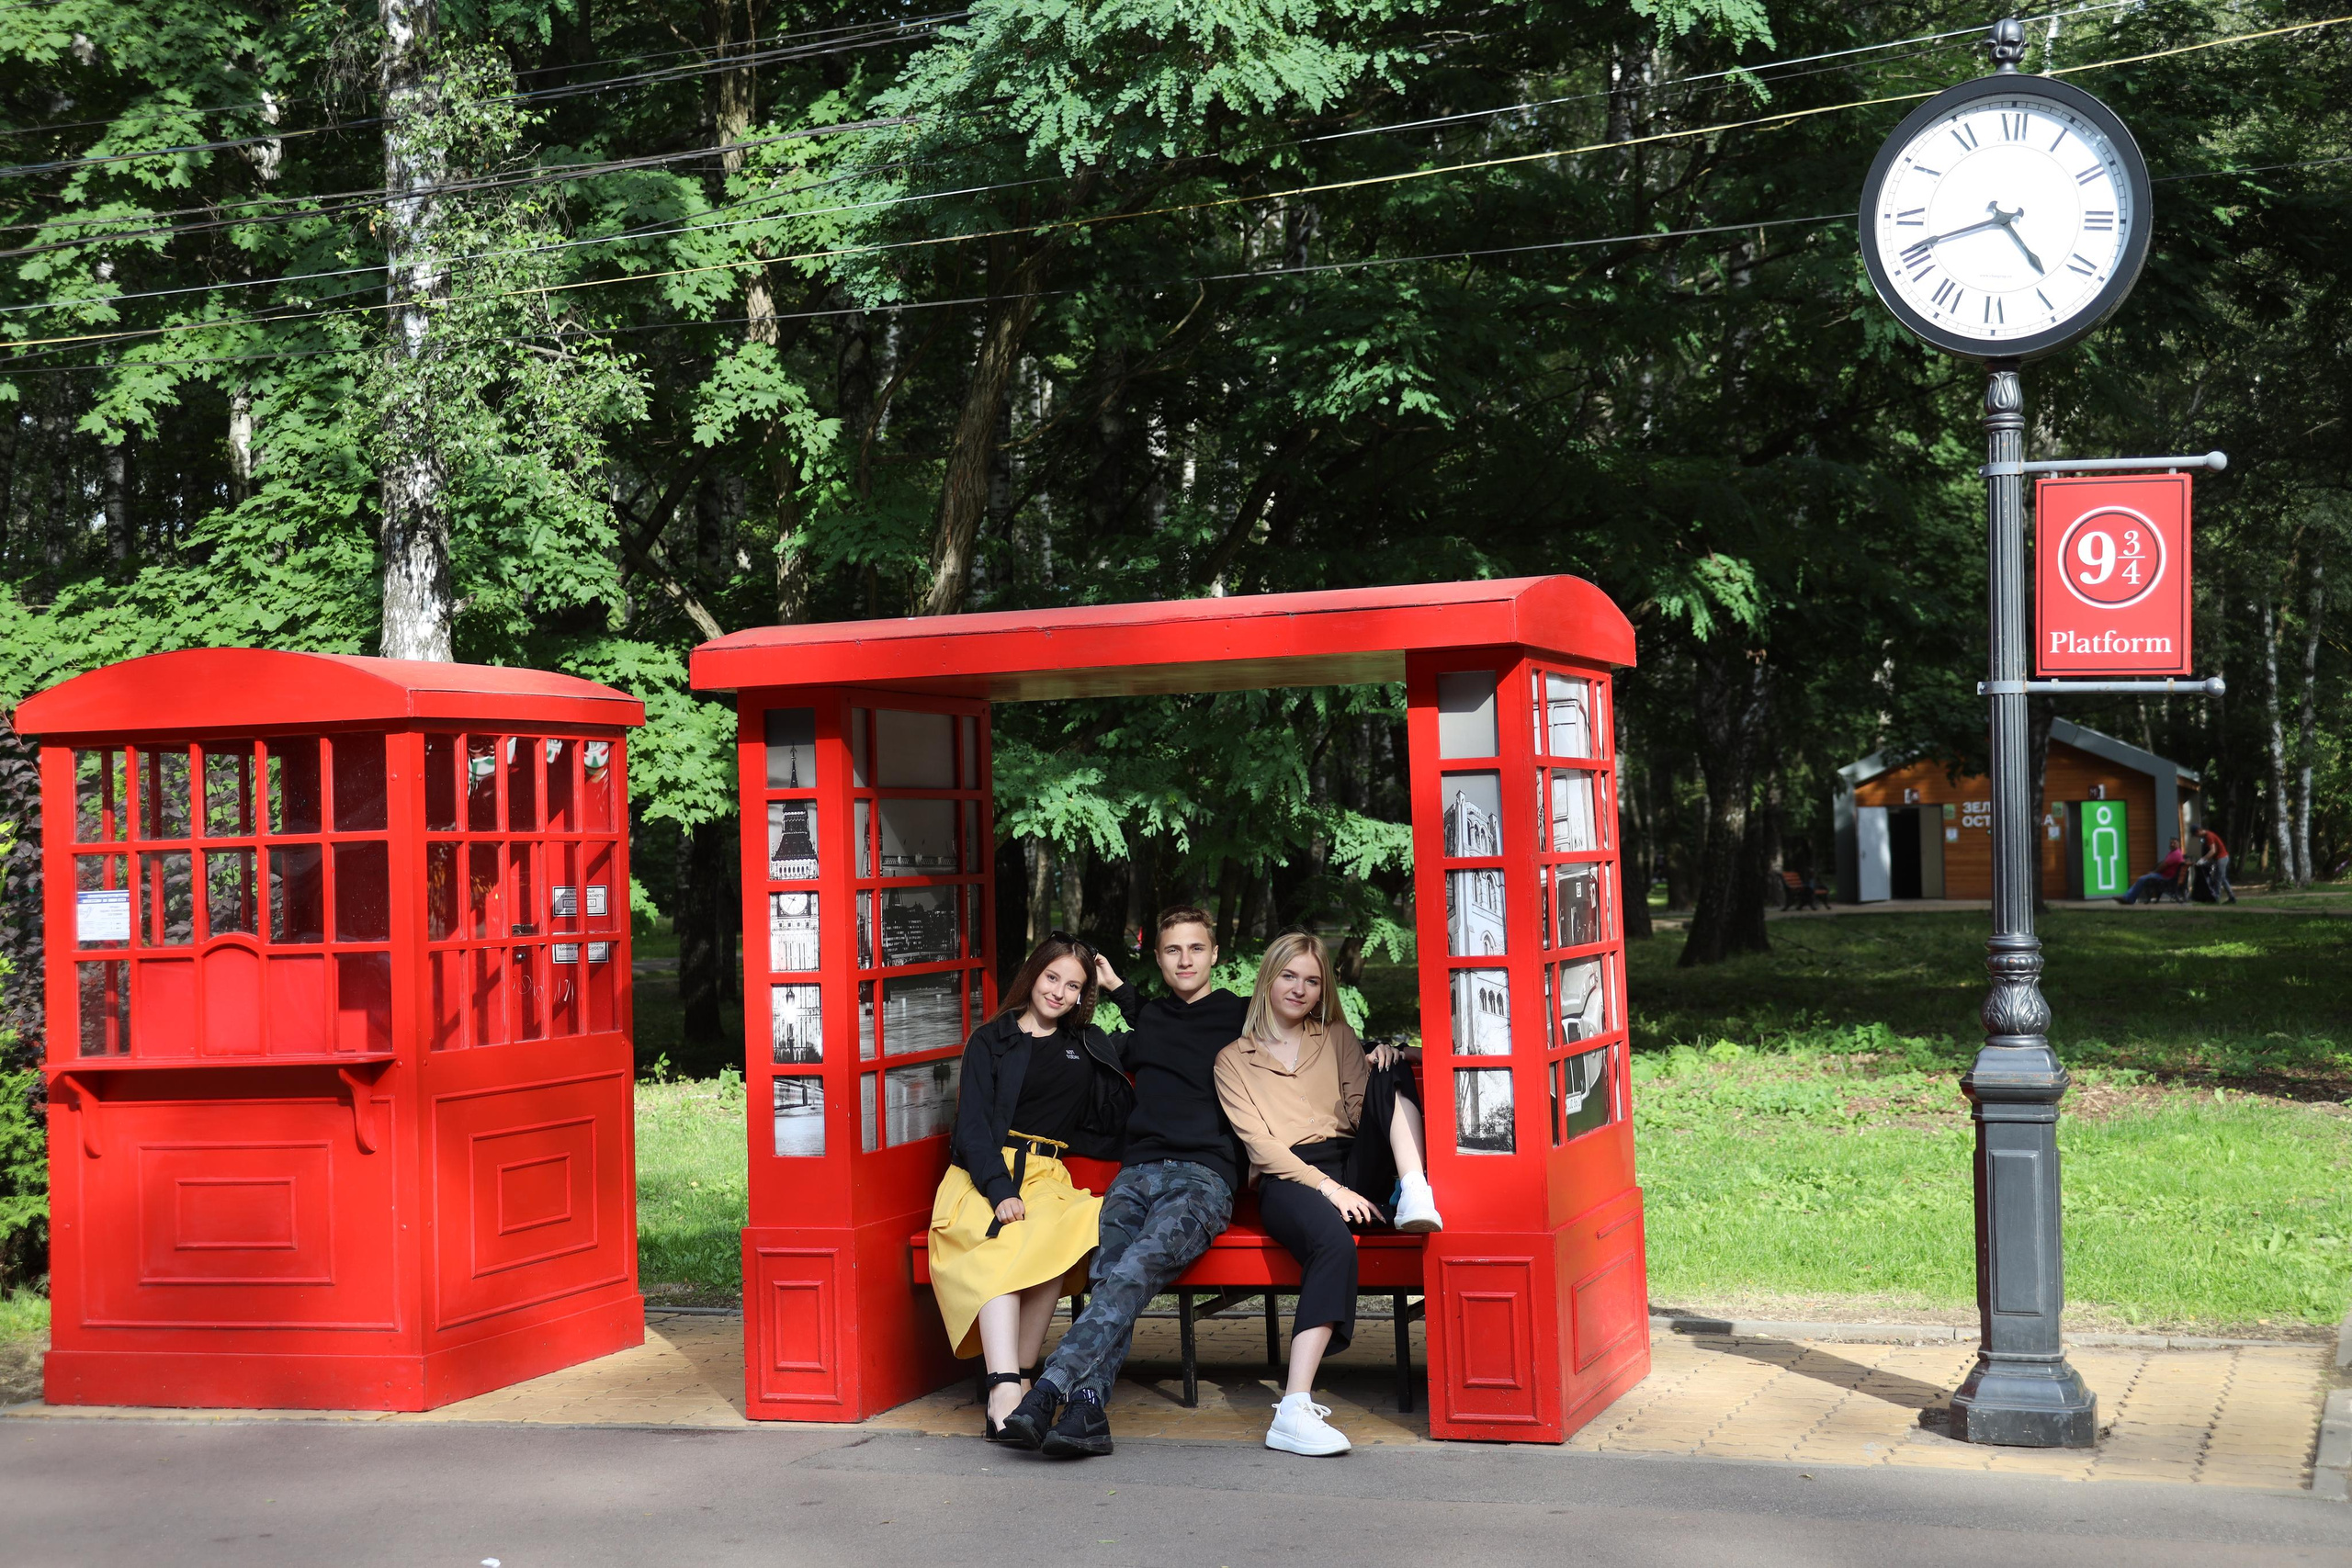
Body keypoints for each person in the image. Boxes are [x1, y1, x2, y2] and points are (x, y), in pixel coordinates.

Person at [1000, 907, 1248, 1459]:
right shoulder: (1150, 1022)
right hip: (1136, 1174)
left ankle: (1045, 1391)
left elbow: (1311, 1029)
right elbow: (1084, 1054)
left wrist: (1388, 1051)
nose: (1185, 960)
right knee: (1110, 1270)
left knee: (1132, 1269)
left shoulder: (1241, 1015)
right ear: (1158, 959)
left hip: (1203, 1179)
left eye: (1196, 949)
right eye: (1172, 950)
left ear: (1215, 955)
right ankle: (1086, 1411)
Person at [1215, 930, 1442, 1456]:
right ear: (1269, 979)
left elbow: (1365, 1112)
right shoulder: (1234, 1059)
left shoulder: (1337, 1037)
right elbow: (1262, 1146)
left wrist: (1390, 1055)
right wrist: (1330, 1189)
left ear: (1324, 989)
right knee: (1333, 1244)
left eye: (1312, 981)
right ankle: (1293, 1409)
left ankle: (1414, 1189)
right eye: (1289, 976)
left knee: (1387, 1068)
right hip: (1290, 1178)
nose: (1300, 989)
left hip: (1351, 1164)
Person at [929, 933, 1134, 1440]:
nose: (1059, 993)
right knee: (1005, 1240)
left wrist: (1121, 990)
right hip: (984, 1174)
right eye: (1052, 977)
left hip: (1047, 1175)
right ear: (1034, 974)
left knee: (1061, 1231)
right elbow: (972, 1129)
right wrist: (999, 1190)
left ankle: (1021, 1380)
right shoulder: (991, 1040)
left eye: (1074, 986)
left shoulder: (1085, 1045)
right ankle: (1004, 1388)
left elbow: (1158, 1046)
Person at [2117, 839, 2187, 905]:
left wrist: (2154, 872)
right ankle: (2128, 897)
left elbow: (2164, 865)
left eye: (2174, 843)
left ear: (2178, 844)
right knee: (2142, 879)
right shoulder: (2174, 853)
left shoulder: (2175, 854)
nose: (2172, 844)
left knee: (2141, 879)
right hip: (2168, 877)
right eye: (2171, 843)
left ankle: (2129, 899)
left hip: (2166, 878)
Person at [2198, 824, 2236, 903]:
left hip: (2221, 858)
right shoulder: (2207, 836)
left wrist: (2203, 859)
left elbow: (2212, 851)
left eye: (2196, 834)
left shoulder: (2208, 836)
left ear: (2199, 831)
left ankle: (2216, 898)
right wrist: (2206, 862)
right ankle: (2232, 897)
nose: (2197, 836)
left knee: (2217, 878)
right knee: (2223, 878)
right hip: (2221, 858)